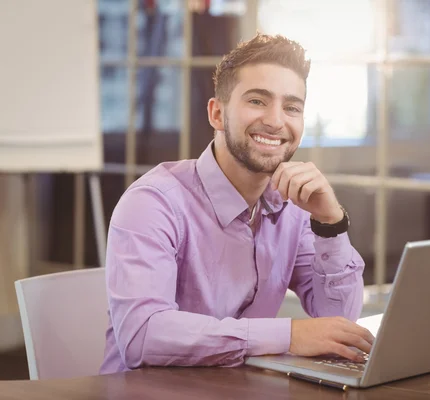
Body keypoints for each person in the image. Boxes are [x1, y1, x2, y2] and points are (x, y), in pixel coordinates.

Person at [99, 33, 373, 374]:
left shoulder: (293, 207)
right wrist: (287, 336)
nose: (276, 120)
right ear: (216, 113)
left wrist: (330, 222)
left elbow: (340, 322)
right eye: (257, 101)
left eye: (291, 107)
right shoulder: (153, 203)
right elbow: (142, 336)